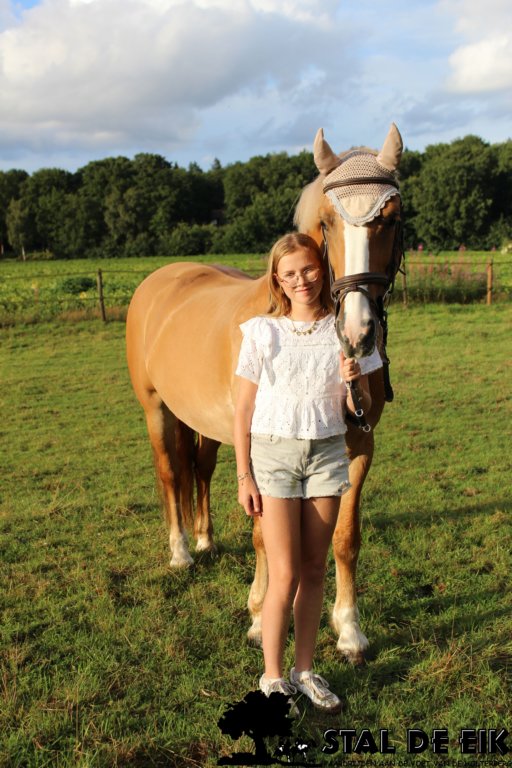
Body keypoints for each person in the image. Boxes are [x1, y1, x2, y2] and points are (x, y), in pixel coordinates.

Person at [233, 232, 382, 714]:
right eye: (290, 273)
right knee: (285, 573)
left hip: (325, 455)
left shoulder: (348, 331)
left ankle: (304, 671)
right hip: (274, 456)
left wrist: (354, 384)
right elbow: (242, 410)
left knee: (316, 569)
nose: (302, 280)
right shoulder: (263, 332)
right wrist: (244, 476)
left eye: (310, 269)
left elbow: (361, 412)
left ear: (324, 269)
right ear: (277, 279)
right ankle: (273, 679)